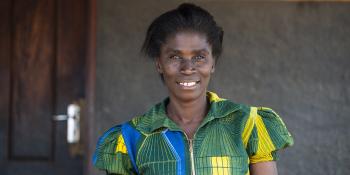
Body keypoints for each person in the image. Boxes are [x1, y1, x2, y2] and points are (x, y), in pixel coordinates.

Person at [93, 3, 293, 175]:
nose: (188, 68)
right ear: (159, 64)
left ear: (213, 63)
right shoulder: (132, 137)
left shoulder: (247, 124)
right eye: (174, 57)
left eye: (199, 57)